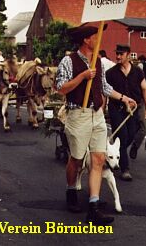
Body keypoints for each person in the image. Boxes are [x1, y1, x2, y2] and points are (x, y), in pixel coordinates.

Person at [56, 23, 136, 225]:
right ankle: (71, 190)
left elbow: (105, 86)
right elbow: (61, 88)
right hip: (78, 114)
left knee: (99, 159)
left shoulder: (98, 61)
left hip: (97, 114)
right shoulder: (68, 61)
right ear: (86, 39)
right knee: (76, 159)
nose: (99, 39)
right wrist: (82, 76)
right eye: (95, 35)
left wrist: (124, 98)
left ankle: (93, 206)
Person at [106, 44, 146, 181]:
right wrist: (101, 111)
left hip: (132, 110)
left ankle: (116, 151)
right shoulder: (111, 73)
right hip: (116, 109)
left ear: (128, 54)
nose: (118, 56)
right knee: (122, 136)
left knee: (131, 134)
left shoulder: (138, 71)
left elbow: (144, 89)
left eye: (121, 54)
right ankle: (125, 169)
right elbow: (105, 92)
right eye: (117, 54)